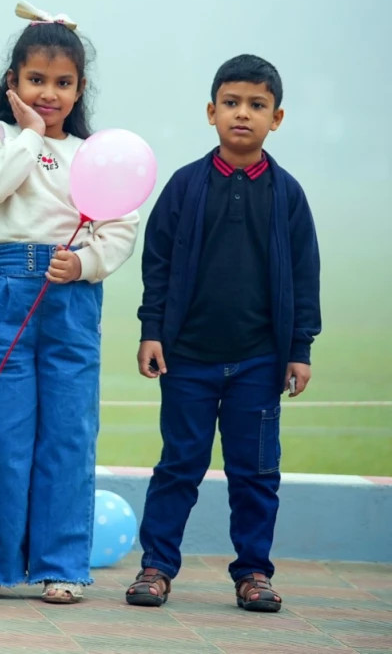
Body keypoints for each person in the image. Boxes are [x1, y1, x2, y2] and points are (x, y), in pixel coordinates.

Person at [126, 55, 320, 613]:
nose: (242, 114)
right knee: (178, 465)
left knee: (255, 472)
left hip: (260, 361)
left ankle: (253, 572)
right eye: (231, 103)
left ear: (276, 118)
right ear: (211, 112)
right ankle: (156, 567)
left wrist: (299, 349)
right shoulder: (186, 186)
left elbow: (305, 274)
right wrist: (152, 330)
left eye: (257, 105)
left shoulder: (287, 195)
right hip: (187, 358)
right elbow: (158, 263)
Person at [0, 8, 137, 604]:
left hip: (71, 299)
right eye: (36, 79)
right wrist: (31, 132)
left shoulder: (94, 155)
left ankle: (62, 566)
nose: (49, 93)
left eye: (63, 83)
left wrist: (84, 264)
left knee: (67, 434)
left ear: (80, 89)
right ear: (12, 81)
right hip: (2, 290)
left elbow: (119, 226)